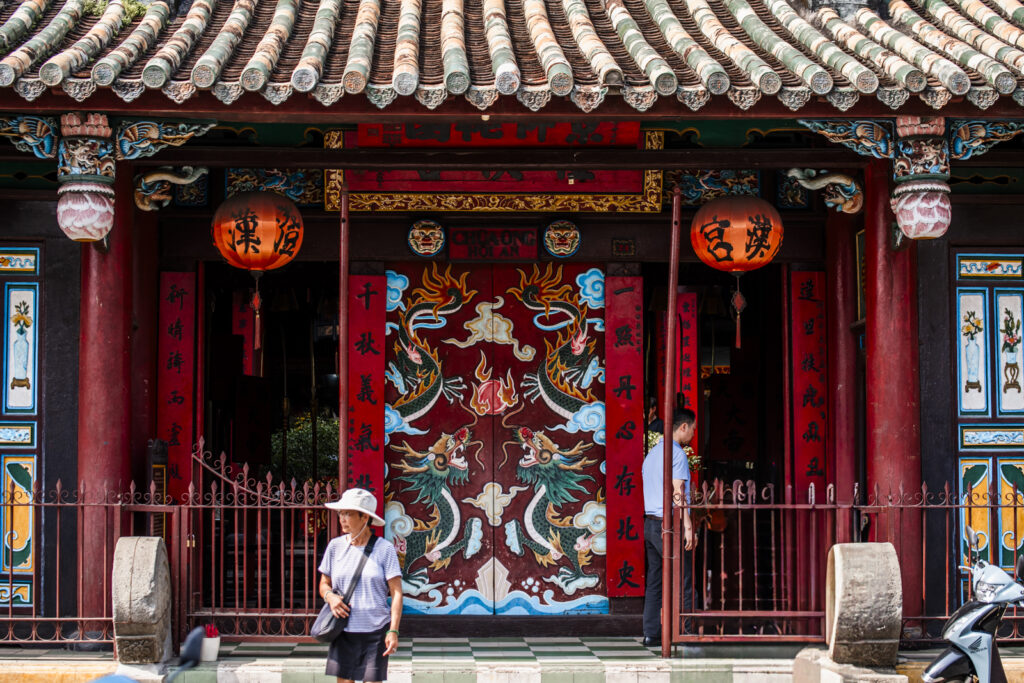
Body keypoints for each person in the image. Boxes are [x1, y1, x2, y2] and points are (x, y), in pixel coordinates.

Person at [318, 488, 403, 683]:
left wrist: (393, 630)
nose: (342, 518)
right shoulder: (335, 546)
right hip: (344, 630)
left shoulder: (384, 549)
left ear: (364, 517)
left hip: (375, 631)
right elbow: (324, 583)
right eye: (341, 513)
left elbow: (396, 592)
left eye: (348, 513)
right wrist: (330, 597)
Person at [640, 408, 697, 647]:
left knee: (655, 581)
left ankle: (651, 633)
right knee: (682, 578)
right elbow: (678, 493)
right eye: (693, 428)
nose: (693, 433)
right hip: (669, 525)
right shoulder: (676, 455)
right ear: (683, 427)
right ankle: (683, 632)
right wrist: (687, 526)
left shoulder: (652, 454)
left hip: (650, 524)